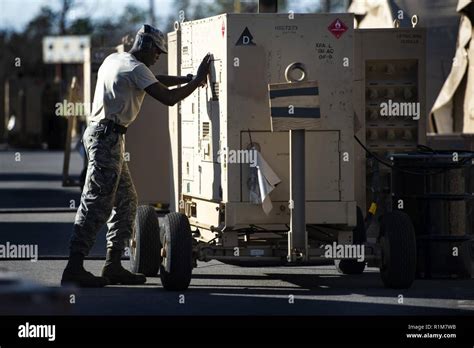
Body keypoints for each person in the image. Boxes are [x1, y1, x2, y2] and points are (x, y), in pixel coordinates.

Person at [61, 24, 211, 287]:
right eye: (157, 51)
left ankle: (114, 264)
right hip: (107, 138)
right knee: (96, 202)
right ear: (147, 46)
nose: (158, 56)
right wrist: (198, 81)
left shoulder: (117, 60)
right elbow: (167, 98)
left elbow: (154, 79)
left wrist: (185, 78)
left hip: (105, 136)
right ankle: (74, 267)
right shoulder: (135, 67)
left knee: (127, 200)